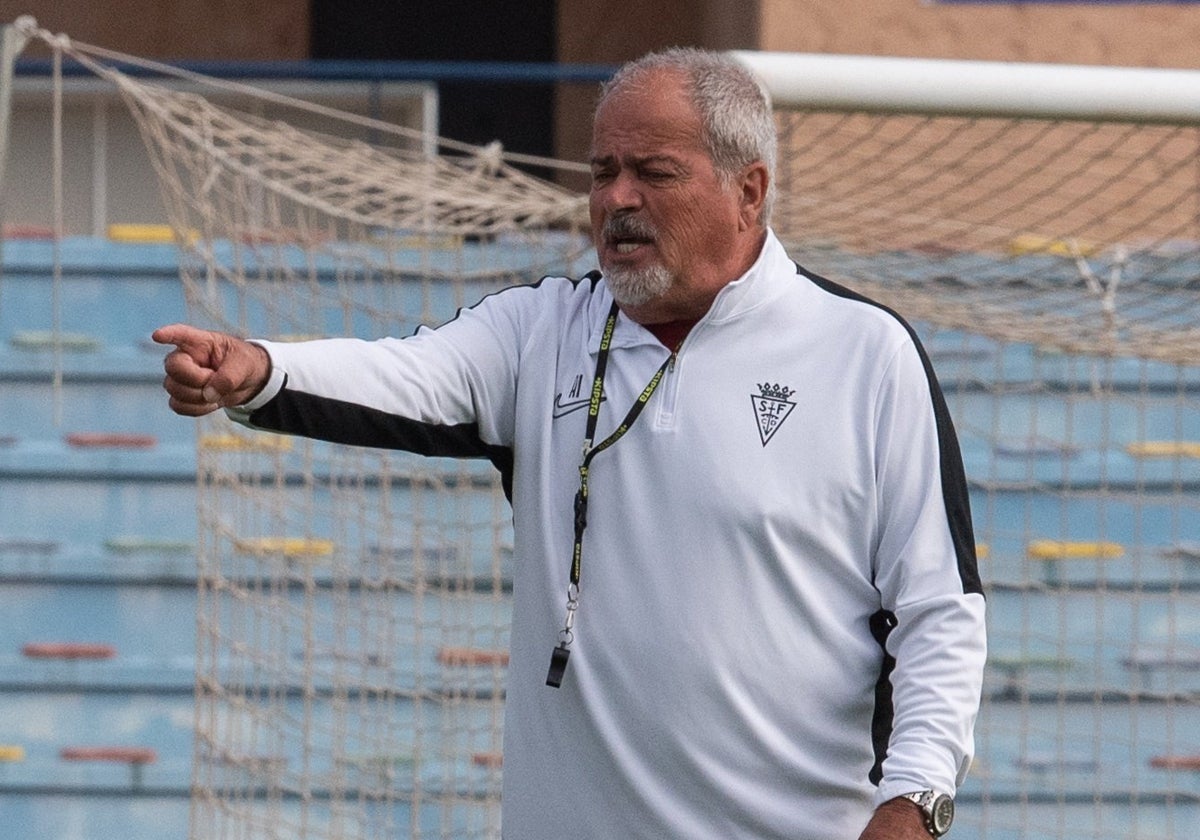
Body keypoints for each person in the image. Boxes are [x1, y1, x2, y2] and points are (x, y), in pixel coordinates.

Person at [155, 47, 986, 840]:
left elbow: (939, 616)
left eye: (654, 173)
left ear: (749, 191)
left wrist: (914, 804)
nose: (618, 199)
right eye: (601, 173)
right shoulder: (540, 332)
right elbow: (401, 374)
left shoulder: (865, 354)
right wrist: (257, 370)